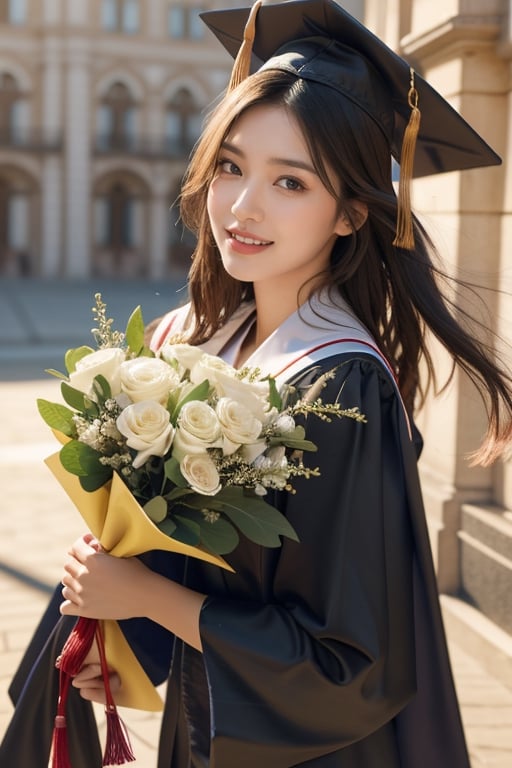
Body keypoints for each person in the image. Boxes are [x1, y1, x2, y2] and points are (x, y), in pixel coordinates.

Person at [3, 1, 512, 766]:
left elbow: (350, 662)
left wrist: (145, 600)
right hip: (213, 722)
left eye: (292, 183)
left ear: (349, 214)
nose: (241, 206)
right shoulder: (208, 343)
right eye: (232, 165)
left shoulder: (340, 388)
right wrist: (115, 616)